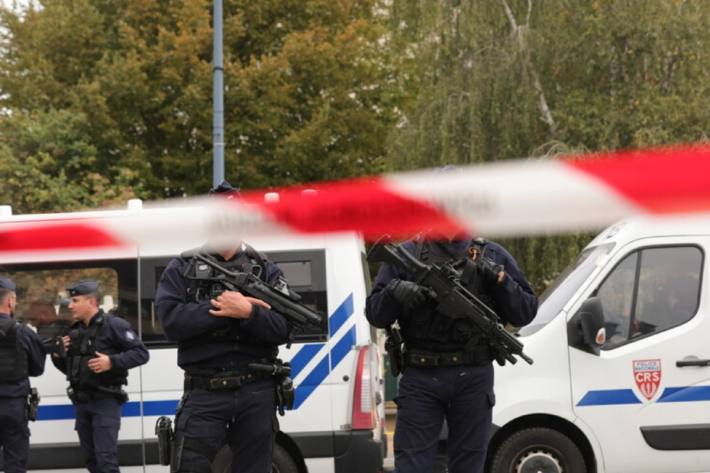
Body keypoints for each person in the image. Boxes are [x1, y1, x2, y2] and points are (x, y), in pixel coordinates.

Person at [366, 236, 538, 473]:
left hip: (473, 377)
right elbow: (375, 315)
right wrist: (394, 292)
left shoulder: (491, 254)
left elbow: (525, 312)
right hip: (421, 376)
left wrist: (501, 279)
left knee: (469, 465)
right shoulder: (408, 253)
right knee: (411, 465)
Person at [155, 180, 292, 473]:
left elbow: (285, 327)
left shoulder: (265, 270)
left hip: (256, 392)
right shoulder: (182, 267)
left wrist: (248, 313)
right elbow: (170, 321)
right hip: (205, 392)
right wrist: (219, 308)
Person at [51, 280, 149, 473]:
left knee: (106, 461)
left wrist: (112, 362)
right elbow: (70, 369)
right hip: (81, 403)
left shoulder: (114, 325)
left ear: (91, 302)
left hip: (105, 401)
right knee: (91, 461)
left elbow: (141, 353)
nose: (70, 305)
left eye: (75, 300)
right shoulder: (73, 331)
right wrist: (58, 355)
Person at [0, 276, 46, 473]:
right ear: (10, 301)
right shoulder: (23, 333)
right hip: (13, 407)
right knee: (15, 463)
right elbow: (37, 369)